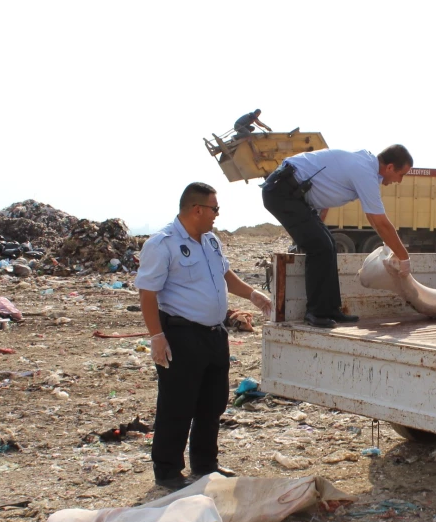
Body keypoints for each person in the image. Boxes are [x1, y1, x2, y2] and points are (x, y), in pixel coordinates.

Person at [135, 182, 273, 490]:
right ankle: (168, 471)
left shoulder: (210, 241)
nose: (217, 215)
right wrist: (156, 336)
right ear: (197, 209)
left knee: (213, 403)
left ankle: (205, 463)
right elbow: (147, 294)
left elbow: (225, 275)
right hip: (181, 334)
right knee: (177, 404)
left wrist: (252, 295)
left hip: (214, 334)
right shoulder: (163, 244)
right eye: (215, 209)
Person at [261, 145, 413, 327]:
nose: (400, 180)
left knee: (329, 244)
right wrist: (404, 257)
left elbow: (326, 187)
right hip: (281, 192)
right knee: (320, 247)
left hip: (294, 194)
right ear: (389, 168)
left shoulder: (364, 164)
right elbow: (379, 221)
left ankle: (330, 309)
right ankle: (315, 312)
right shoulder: (364, 171)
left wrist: (318, 220)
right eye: (401, 175)